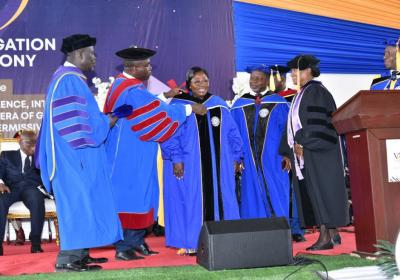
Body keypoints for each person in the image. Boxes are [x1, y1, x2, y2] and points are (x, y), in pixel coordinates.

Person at [104, 47, 207, 261]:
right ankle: (123, 247)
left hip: (136, 150)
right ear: (134, 67)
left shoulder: (126, 85)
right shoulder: (130, 89)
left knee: (142, 194)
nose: (150, 69)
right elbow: (156, 113)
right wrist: (190, 109)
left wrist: (165, 96)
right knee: (130, 197)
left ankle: (136, 241)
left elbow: (147, 105)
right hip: (128, 154)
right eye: (147, 65)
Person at [36, 34, 123, 272]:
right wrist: (109, 121)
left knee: (85, 202)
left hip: (76, 157)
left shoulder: (69, 79)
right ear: (79, 54)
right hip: (74, 158)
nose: (95, 58)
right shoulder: (68, 81)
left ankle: (81, 254)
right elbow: (78, 129)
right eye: (92, 53)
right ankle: (68, 259)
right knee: (77, 204)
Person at [161, 67, 243, 255]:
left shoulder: (219, 104)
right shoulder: (179, 105)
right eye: (197, 81)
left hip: (218, 166)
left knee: (223, 198)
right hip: (191, 164)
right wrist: (176, 159)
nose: (202, 85)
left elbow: (232, 133)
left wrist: (237, 156)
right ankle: (192, 242)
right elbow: (169, 134)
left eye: (205, 80)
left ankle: (223, 240)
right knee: (190, 200)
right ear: (189, 84)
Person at [281, 54, 349, 251]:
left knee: (321, 192)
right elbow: (292, 127)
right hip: (309, 153)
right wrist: (289, 149)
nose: (293, 74)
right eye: (292, 71)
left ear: (309, 71)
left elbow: (319, 125)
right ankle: (332, 233)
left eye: (297, 70)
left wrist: (303, 141)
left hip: (320, 153)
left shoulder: (316, 92)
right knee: (315, 193)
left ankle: (325, 237)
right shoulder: (302, 93)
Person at [230, 65, 291, 223]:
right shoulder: (239, 105)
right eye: (252, 78)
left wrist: (287, 154)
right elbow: (232, 134)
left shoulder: (279, 103)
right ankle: (253, 231)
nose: (255, 82)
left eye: (259, 79)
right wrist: (236, 158)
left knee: (276, 190)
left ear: (267, 81)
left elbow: (287, 131)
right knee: (250, 193)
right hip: (248, 160)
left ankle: (279, 229)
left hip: (274, 158)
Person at [268, 65, 305, 242]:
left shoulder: (294, 96)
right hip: (270, 153)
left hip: (289, 149)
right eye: (273, 77)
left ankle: (296, 227)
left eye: (279, 77)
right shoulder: (265, 100)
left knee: (292, 189)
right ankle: (276, 226)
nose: (276, 80)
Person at [0, 130, 44, 255]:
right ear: (20, 143)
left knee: (37, 199)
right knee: (0, 201)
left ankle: (35, 243)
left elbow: (47, 175)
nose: (33, 146)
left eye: (35, 143)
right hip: (11, 188)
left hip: (30, 188)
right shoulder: (6, 155)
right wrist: (0, 183)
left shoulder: (39, 157)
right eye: (30, 144)